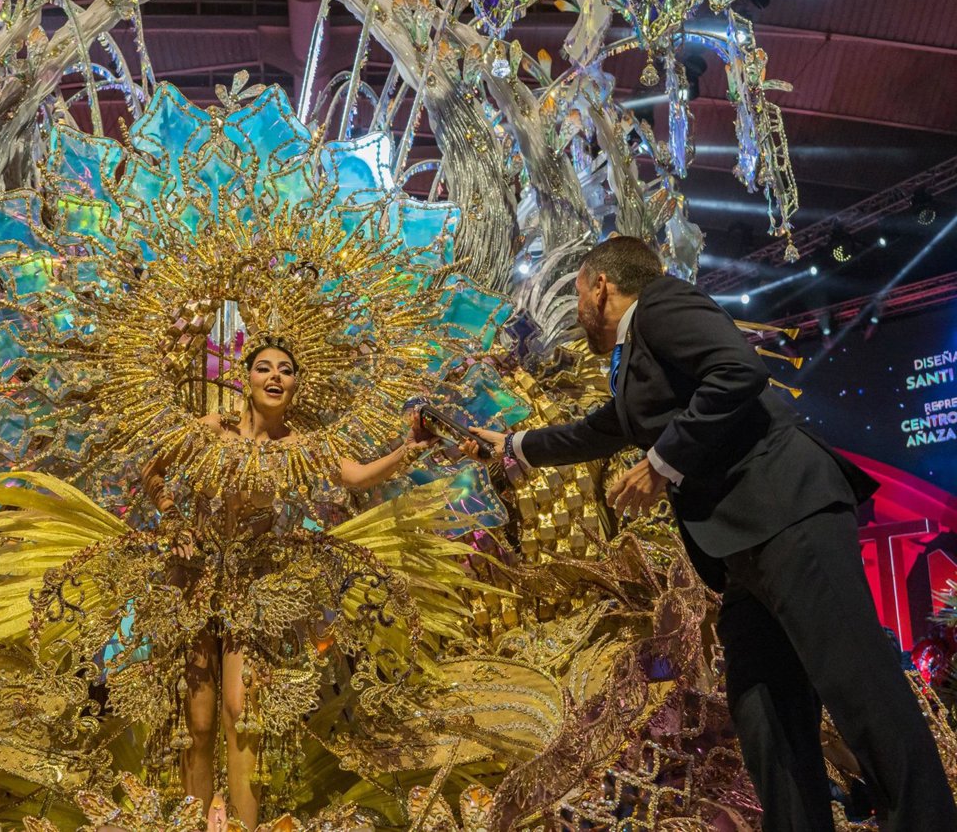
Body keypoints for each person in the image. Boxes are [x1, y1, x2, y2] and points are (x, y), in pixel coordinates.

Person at [464, 236, 957, 831]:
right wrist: (514, 445)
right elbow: (602, 429)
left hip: (787, 514)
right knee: (765, 715)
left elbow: (737, 371)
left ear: (600, 286)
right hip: (741, 547)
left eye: (577, 295)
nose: (576, 311)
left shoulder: (661, 304)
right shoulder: (633, 357)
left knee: (861, 689)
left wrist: (661, 463)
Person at [141, 341, 437, 830]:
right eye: (264, 368)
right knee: (197, 722)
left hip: (254, 588)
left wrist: (408, 450)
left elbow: (357, 478)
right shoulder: (212, 429)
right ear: (247, 379)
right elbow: (153, 471)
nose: (275, 376)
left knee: (242, 712)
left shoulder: (302, 446)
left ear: (297, 384)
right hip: (194, 581)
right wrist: (172, 519)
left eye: (285, 370)